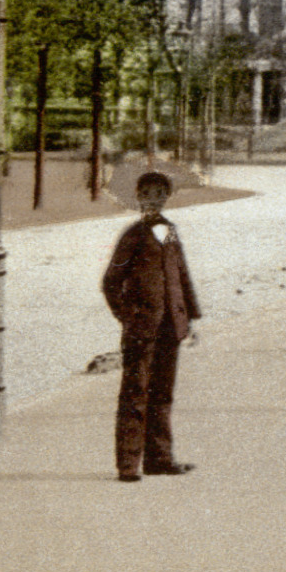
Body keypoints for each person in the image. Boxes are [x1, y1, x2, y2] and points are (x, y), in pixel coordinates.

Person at [102, 167, 201, 480]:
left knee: (163, 393)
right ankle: (129, 464)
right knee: (135, 392)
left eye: (160, 195)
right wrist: (127, 317)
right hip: (141, 329)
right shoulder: (132, 235)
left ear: (166, 198)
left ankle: (160, 458)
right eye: (147, 195)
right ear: (138, 198)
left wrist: (190, 319)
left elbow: (182, 276)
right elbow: (111, 282)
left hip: (171, 326)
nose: (153, 201)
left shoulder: (170, 231)